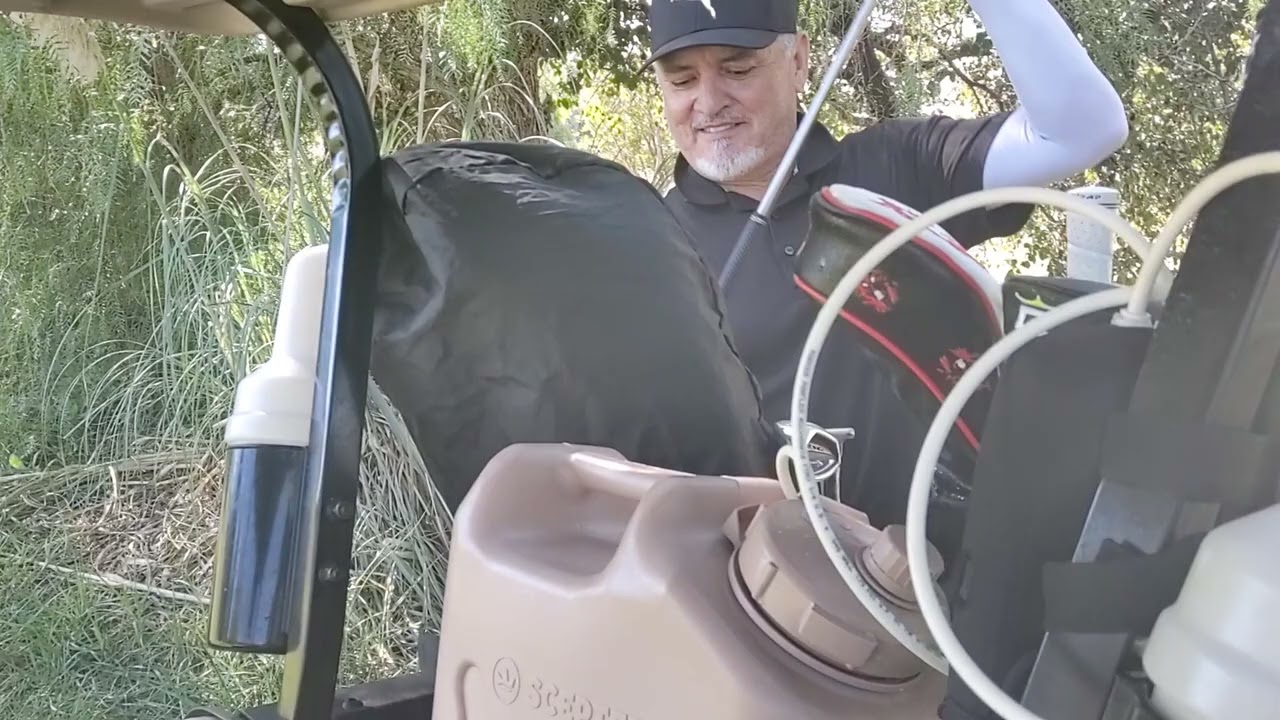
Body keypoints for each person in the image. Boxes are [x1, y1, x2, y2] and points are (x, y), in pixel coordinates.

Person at [643, 0, 1129, 523]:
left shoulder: (899, 166)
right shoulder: (652, 244)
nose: (708, 102)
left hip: (941, 572)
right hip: (762, 585)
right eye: (681, 80)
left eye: (737, 69)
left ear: (800, 62)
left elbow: (1083, 130)